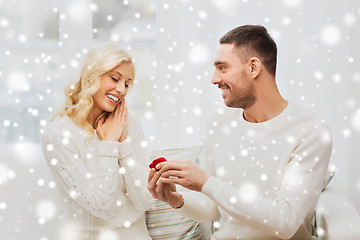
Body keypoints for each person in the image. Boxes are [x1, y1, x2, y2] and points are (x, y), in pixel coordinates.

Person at [148, 25, 332, 240]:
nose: (214, 79)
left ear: (253, 67)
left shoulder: (310, 132)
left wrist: (206, 182)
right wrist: (176, 200)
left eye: (222, 68)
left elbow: (285, 222)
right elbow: (212, 208)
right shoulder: (218, 126)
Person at [42, 43, 154, 240]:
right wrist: (109, 144)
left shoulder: (129, 123)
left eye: (127, 84)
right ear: (92, 76)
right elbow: (101, 207)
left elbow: (145, 201)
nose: (121, 89)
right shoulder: (58, 135)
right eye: (115, 78)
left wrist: (122, 144)